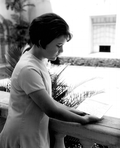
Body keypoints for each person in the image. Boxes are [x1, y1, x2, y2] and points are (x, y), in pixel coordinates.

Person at [0, 13, 101, 148]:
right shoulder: (28, 68)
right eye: (58, 45)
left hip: (32, 133)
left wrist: (72, 110)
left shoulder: (36, 57)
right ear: (41, 42)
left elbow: (45, 99)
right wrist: (84, 120)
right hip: (22, 136)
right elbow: (50, 109)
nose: (62, 50)